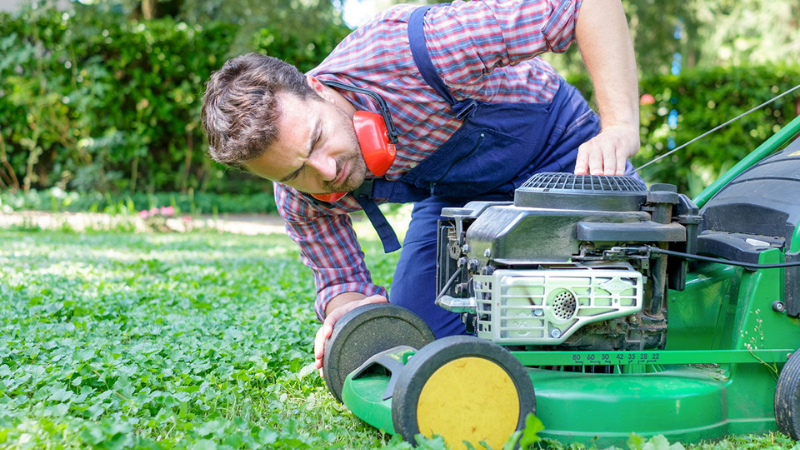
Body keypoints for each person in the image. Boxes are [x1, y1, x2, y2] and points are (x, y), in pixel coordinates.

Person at [201, 0, 641, 375]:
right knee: (419, 336)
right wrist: (347, 312)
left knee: (636, 279)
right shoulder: (298, 194)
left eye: (317, 139)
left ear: (317, 87)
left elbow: (585, 6)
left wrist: (620, 125)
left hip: (558, 148)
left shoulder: (418, 50)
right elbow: (341, 282)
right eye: (296, 172)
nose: (326, 171)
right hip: (459, 200)